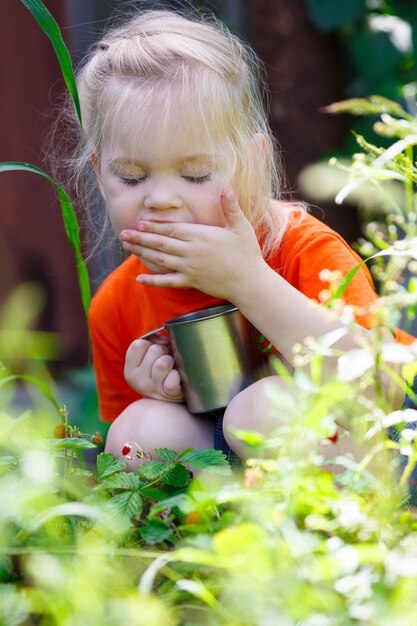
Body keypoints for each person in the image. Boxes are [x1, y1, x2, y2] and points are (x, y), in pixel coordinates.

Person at [73, 9, 413, 469]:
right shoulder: (116, 304)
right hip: (231, 473)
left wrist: (249, 282)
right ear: (99, 174)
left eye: (195, 174)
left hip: (380, 445)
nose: (161, 200)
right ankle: (217, 533)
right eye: (131, 177)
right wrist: (157, 391)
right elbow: (119, 457)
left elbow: (379, 387)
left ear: (250, 162)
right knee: (137, 432)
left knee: (259, 409)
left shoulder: (301, 248)